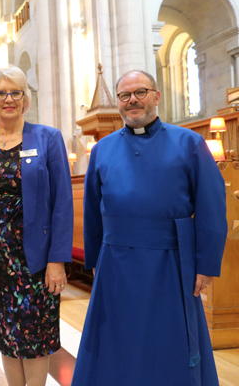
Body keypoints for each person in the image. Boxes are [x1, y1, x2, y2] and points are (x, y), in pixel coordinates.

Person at [71, 70, 226, 386]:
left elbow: (212, 206)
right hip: (116, 265)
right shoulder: (102, 150)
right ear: (119, 103)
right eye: (125, 95)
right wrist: (95, 263)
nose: (133, 100)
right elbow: (92, 212)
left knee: (168, 343)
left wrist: (206, 264)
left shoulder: (190, 143)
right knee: (117, 341)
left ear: (156, 96)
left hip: (170, 263)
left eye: (140, 92)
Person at [0, 65, 74, 386]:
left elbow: (62, 203)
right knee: (6, 332)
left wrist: (57, 261)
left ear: (25, 100)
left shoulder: (48, 139)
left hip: (37, 260)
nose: (8, 99)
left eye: (15, 92)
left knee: (36, 336)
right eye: (1, 93)